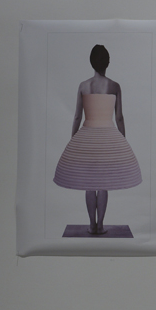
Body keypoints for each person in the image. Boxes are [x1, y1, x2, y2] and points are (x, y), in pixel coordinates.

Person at [53, 45, 141, 234]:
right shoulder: (114, 86)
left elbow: (77, 116)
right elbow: (119, 117)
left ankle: (91, 225)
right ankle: (100, 225)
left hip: (87, 137)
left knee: (89, 182)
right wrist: (123, 141)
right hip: (108, 138)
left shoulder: (84, 86)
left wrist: (73, 141)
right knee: (103, 183)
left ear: (91, 62)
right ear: (108, 62)